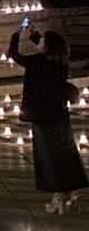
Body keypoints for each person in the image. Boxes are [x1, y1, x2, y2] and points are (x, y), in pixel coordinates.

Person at [20, 30, 87, 215]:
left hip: (43, 117)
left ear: (46, 47)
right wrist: (34, 34)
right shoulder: (60, 64)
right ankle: (70, 193)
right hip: (59, 116)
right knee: (65, 152)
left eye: (41, 41)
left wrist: (18, 35)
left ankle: (58, 196)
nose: (38, 43)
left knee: (49, 156)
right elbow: (47, 48)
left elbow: (16, 55)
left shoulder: (37, 63)